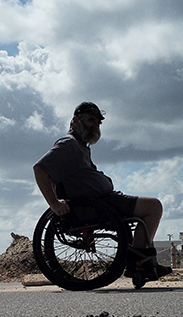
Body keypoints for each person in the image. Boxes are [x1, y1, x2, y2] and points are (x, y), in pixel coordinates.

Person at [33, 102, 171, 285]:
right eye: (91, 120)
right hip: (100, 203)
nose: (95, 126)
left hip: (100, 203)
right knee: (153, 207)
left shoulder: (81, 146)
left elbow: (78, 182)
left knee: (145, 216)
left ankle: (143, 263)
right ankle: (137, 263)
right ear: (75, 121)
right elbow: (39, 169)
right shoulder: (69, 144)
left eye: (98, 123)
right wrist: (54, 203)